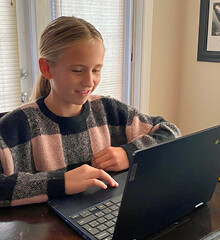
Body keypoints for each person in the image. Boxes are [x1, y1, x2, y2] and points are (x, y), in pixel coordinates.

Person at [0, 16, 181, 207]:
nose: (89, 82)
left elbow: (171, 131)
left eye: (96, 70)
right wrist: (61, 183)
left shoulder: (108, 110)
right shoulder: (15, 127)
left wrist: (130, 154)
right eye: (77, 70)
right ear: (46, 68)